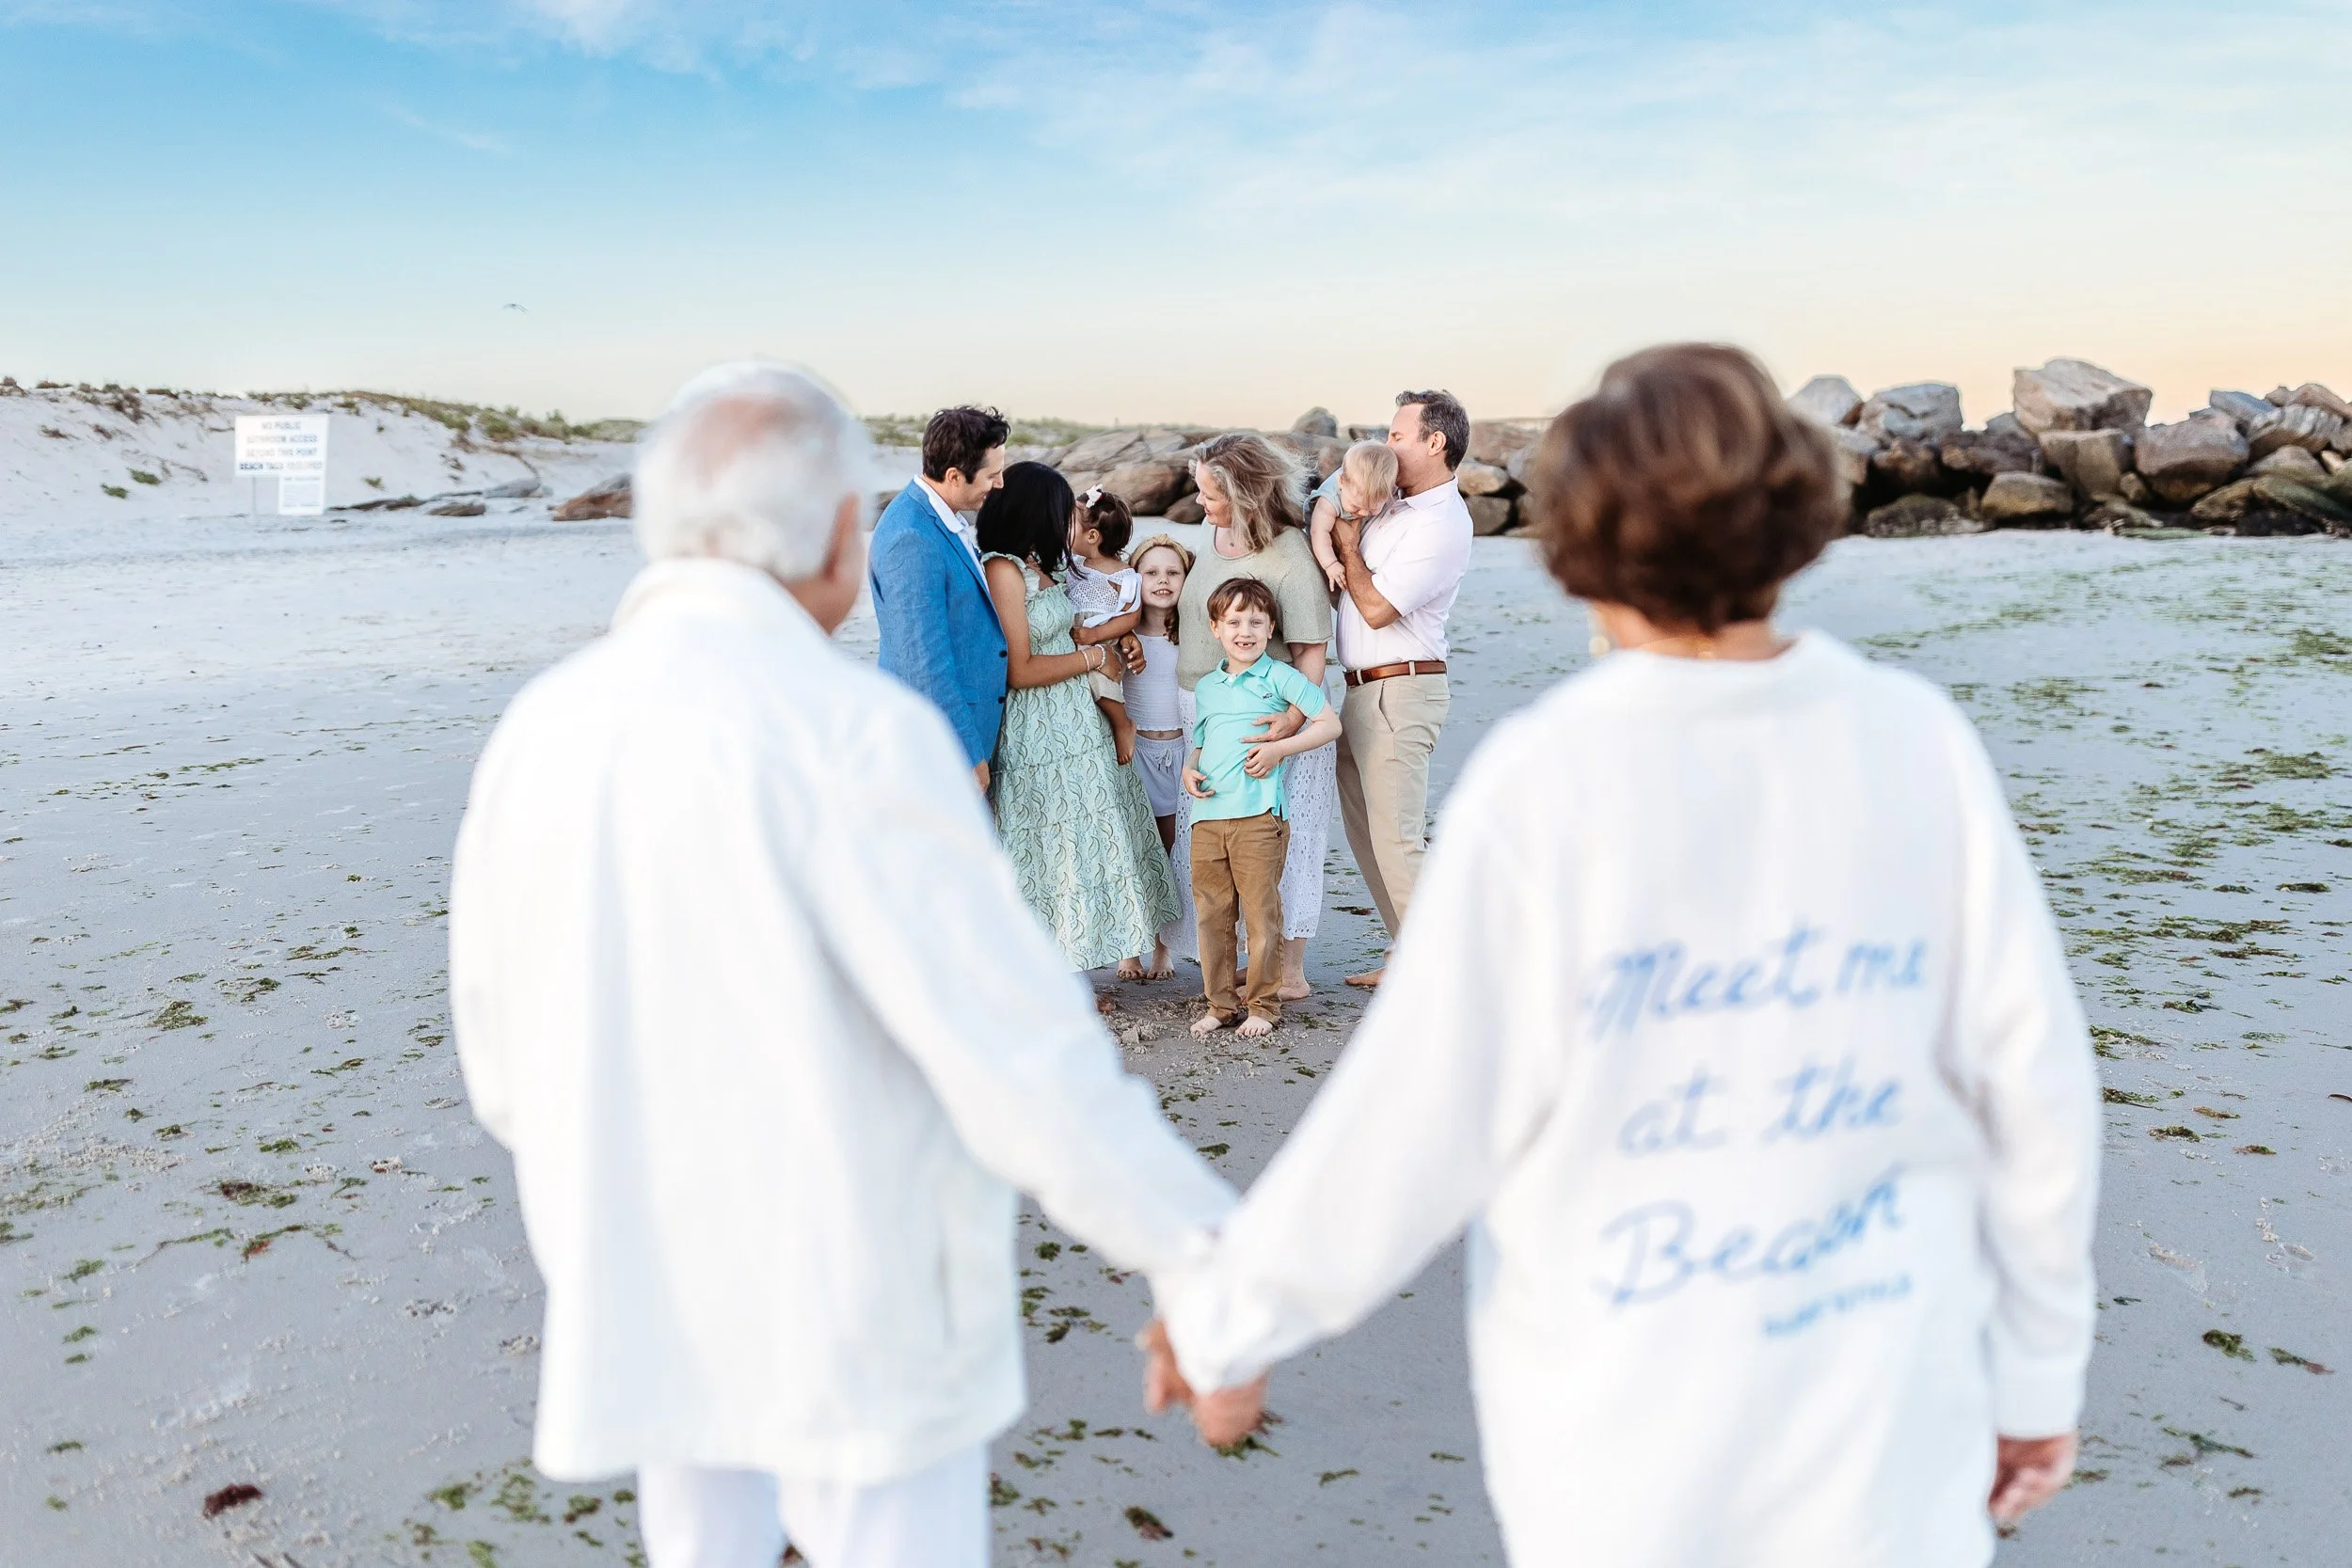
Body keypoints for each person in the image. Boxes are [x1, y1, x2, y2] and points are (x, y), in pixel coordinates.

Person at [1143, 345, 2101, 1568]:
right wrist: (2034, 1371)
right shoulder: (1916, 743)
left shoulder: (1548, 779)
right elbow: (2036, 1091)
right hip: (1886, 1425)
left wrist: (1228, 1318)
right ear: (1795, 508)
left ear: (1577, 536)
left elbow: (1414, 1122)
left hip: (1623, 1447)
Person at [447, 364, 1236, 1568]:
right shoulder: (856, 738)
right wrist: (1197, 1256)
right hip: (859, 1292)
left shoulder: (538, 734)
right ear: (830, 536)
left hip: (644, 1272)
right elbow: (1018, 1052)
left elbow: (503, 1066)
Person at [978, 461, 1181, 984]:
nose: (1068, 517)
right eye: (1060, 506)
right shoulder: (1004, 568)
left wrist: (1124, 640)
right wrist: (1094, 660)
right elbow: (1019, 670)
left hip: (1080, 719)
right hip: (1039, 727)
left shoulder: (1047, 564)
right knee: (1052, 848)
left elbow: (1082, 622)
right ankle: (1052, 980)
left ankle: (1080, 967)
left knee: (1096, 837)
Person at [1168, 432, 1339, 1001]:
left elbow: (1312, 649)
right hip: (1210, 707)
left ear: (1243, 493)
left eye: (1210, 493)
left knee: (1285, 841)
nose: (1200, 503)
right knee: (1223, 841)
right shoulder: (1212, 537)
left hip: (1273, 711)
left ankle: (1289, 971)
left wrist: (1291, 722)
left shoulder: (1289, 554)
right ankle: (1250, 960)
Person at [1325, 389, 1475, 990]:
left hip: (1401, 690)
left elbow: (1379, 608)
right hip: (1361, 690)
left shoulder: (1443, 522)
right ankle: (1409, 953)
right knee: (1367, 833)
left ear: (1434, 443)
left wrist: (1344, 548)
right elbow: (1330, 502)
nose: (1386, 444)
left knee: (1397, 836)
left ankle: (1442, 973)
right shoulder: (1391, 506)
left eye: (1397, 435)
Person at [1184, 577, 1341, 1039]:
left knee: (1261, 914)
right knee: (1212, 915)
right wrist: (1191, 769)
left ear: (1271, 628)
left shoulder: (1279, 676)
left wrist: (1280, 749)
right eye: (1233, 621)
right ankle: (1220, 1004)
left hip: (1258, 816)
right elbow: (1202, 742)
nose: (1244, 631)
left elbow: (1328, 724)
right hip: (1208, 817)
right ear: (1215, 628)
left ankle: (1263, 1006)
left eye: (1255, 621)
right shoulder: (1208, 686)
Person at [870, 405, 1010, 789]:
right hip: (937, 747)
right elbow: (922, 663)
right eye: (992, 475)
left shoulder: (941, 517)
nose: (998, 484)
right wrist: (967, 756)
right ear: (953, 476)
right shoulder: (910, 538)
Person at [1116, 533, 1193, 984]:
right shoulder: (1122, 635)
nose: (1162, 581)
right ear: (1135, 578)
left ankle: (1163, 947)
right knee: (1134, 850)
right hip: (1136, 750)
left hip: (1179, 751)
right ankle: (1129, 948)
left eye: (1173, 572)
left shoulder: (1194, 633)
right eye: (1151, 572)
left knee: (1170, 851)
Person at [1065, 486, 1144, 765]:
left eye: (1070, 522)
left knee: (1101, 684)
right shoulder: (1073, 563)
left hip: (1102, 639)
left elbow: (1130, 617)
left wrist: (1096, 634)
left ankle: (1123, 724)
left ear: (1093, 536)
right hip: (1078, 637)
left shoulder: (1122, 575)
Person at [1309, 440, 1401, 593]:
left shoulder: (1379, 490)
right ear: (1341, 482)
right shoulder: (1328, 502)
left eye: (1371, 509)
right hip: (1321, 538)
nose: (1363, 513)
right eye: (1356, 507)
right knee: (1331, 581)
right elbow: (1318, 533)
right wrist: (1330, 564)